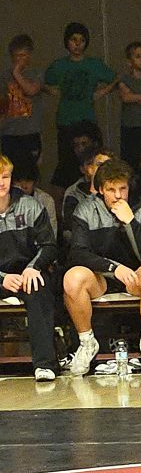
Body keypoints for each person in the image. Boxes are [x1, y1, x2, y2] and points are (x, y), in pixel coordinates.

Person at [64, 159, 141, 376]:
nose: (118, 195)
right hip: (100, 277)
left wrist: (130, 222)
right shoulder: (86, 209)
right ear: (100, 190)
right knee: (73, 277)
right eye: (111, 189)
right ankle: (86, 342)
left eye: (122, 188)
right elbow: (78, 253)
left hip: (135, 279)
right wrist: (112, 268)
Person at [0, 153, 58, 381]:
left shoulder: (30, 205)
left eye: (5, 176)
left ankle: (45, 364)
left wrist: (33, 268)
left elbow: (49, 246)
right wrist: (2, 278)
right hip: (2, 277)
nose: (1, 182)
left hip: (27, 273)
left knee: (38, 288)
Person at [43, 22, 119, 188]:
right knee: (66, 163)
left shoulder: (94, 64)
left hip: (87, 121)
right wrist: (54, 91)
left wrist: (101, 92)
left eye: (82, 40)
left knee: (92, 161)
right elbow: (43, 82)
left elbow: (116, 78)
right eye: (73, 39)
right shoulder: (59, 65)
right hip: (66, 120)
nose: (77, 44)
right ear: (67, 42)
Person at [1, 34, 44, 174]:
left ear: (29, 55)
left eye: (23, 55)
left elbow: (31, 90)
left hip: (29, 132)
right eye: (16, 56)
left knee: (30, 172)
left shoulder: (35, 73)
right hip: (9, 133)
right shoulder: (4, 76)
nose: (19, 59)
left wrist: (17, 73)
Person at [61, 147, 112, 244]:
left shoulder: (118, 195)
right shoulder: (74, 195)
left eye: (109, 165)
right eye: (100, 165)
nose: (105, 169)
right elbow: (70, 230)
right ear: (90, 169)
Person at [12, 159, 57, 237]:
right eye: (19, 181)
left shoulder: (46, 200)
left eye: (28, 180)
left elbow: (51, 234)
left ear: (35, 182)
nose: (23, 186)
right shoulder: (5, 202)